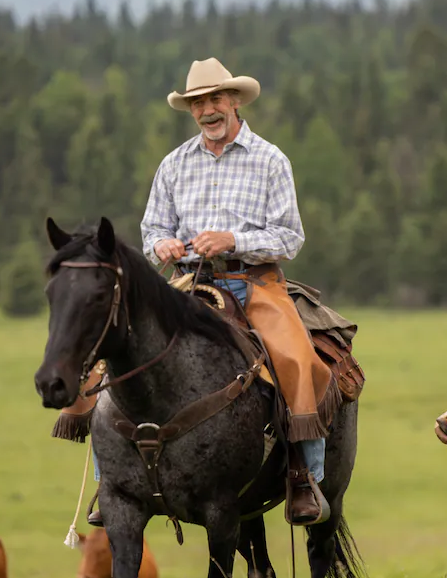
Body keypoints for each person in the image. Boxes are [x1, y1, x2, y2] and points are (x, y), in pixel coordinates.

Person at [86, 57, 335, 528]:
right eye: (198, 103)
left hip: (252, 282)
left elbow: (290, 237)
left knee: (297, 356)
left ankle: (304, 475)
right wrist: (161, 242)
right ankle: (110, 479)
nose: (207, 111)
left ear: (235, 100)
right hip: (184, 284)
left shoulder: (270, 160)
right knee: (108, 355)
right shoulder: (174, 164)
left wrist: (233, 240)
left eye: (215, 100)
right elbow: (152, 226)